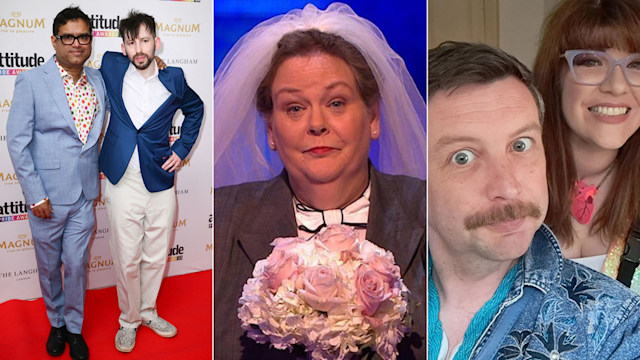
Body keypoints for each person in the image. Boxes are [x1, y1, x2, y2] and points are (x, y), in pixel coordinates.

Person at [214, 3, 425, 359]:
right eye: (295, 108)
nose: (316, 124)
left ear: (373, 117)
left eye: (337, 102)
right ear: (271, 130)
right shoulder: (218, 217)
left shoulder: (428, 209)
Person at [428, 41, 640, 360]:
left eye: (520, 145)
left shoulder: (615, 325)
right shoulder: (353, 292)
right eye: (463, 157)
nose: (508, 187)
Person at [98, 10, 204, 353]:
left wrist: (183, 148)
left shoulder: (174, 79)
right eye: (131, 43)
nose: (138, 49)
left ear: (156, 42)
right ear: (123, 47)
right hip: (120, 180)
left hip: (159, 178)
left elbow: (196, 108)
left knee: (156, 256)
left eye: (144, 40)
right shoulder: (112, 67)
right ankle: (128, 320)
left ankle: (148, 311)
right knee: (127, 257)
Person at [6, 6, 106, 360]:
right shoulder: (33, 80)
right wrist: (35, 196)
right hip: (46, 197)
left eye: (83, 36)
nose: (76, 43)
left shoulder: (98, 80)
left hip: (84, 195)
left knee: (77, 265)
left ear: (90, 40)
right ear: (55, 40)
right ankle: (56, 322)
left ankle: (74, 328)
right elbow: (17, 140)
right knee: (50, 267)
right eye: (68, 37)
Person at [533, 0, 640, 291]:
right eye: (592, 61)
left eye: (636, 64)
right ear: (556, 76)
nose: (617, 86)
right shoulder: (512, 181)